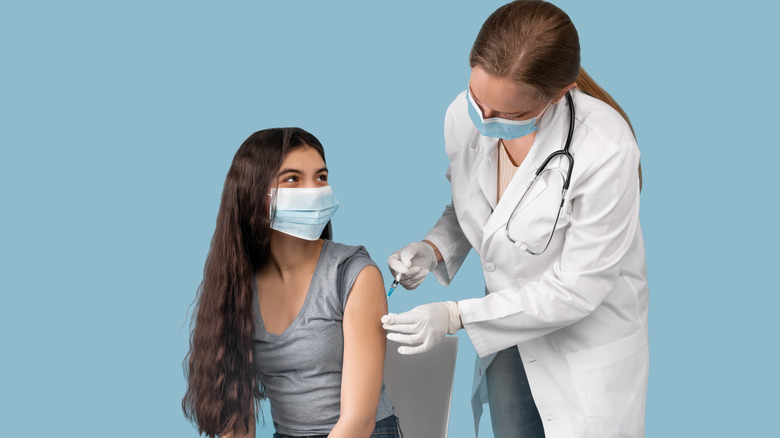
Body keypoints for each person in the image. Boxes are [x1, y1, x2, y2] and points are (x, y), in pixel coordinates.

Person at [381, 1, 648, 437]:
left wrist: (455, 316)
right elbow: (481, 210)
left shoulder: (605, 148)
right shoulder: (463, 117)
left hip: (581, 348)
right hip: (506, 339)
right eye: (477, 99)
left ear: (558, 93)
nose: (484, 121)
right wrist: (432, 249)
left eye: (510, 115)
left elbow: (578, 289)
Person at [183, 128, 400, 438]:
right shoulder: (238, 283)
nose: (314, 189)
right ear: (252, 192)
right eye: (293, 179)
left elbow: (358, 422)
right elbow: (235, 419)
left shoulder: (355, 274)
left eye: (321, 177)